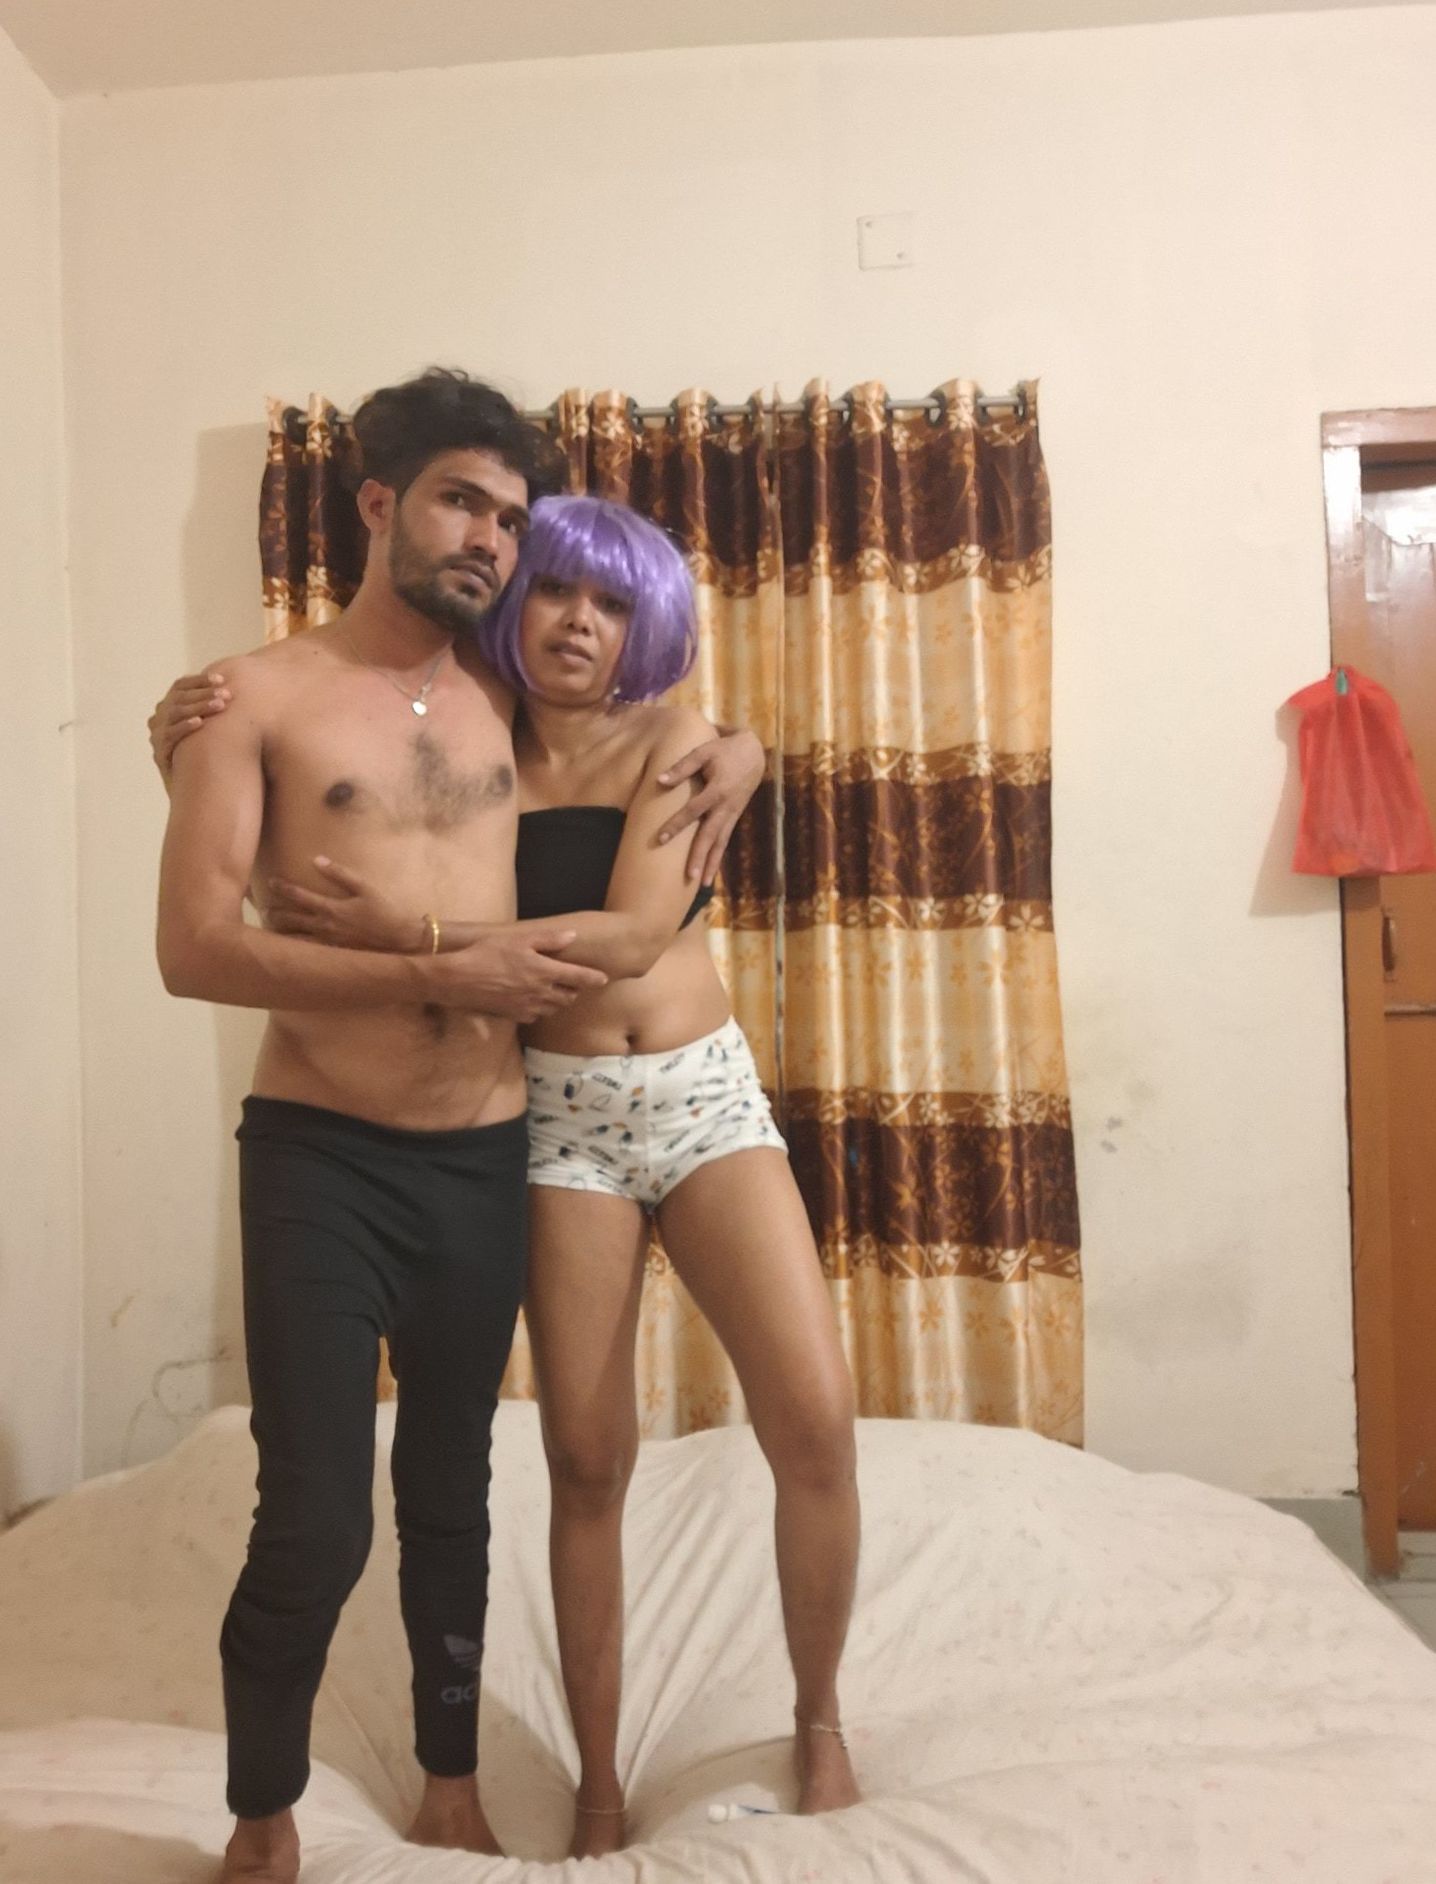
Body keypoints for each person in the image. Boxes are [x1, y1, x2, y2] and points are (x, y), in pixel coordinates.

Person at [164, 495, 863, 1861]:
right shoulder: (469, 737)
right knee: (585, 1458)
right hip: (553, 1121)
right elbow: (306, 801)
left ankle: (822, 1717)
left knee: (818, 1420)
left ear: (645, 623)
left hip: (700, 1098)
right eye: (555, 593)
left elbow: (636, 934)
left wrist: (408, 928)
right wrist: (173, 735)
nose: (580, 624)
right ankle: (598, 1783)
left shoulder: (677, 739)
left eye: (612, 604)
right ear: (511, 603)